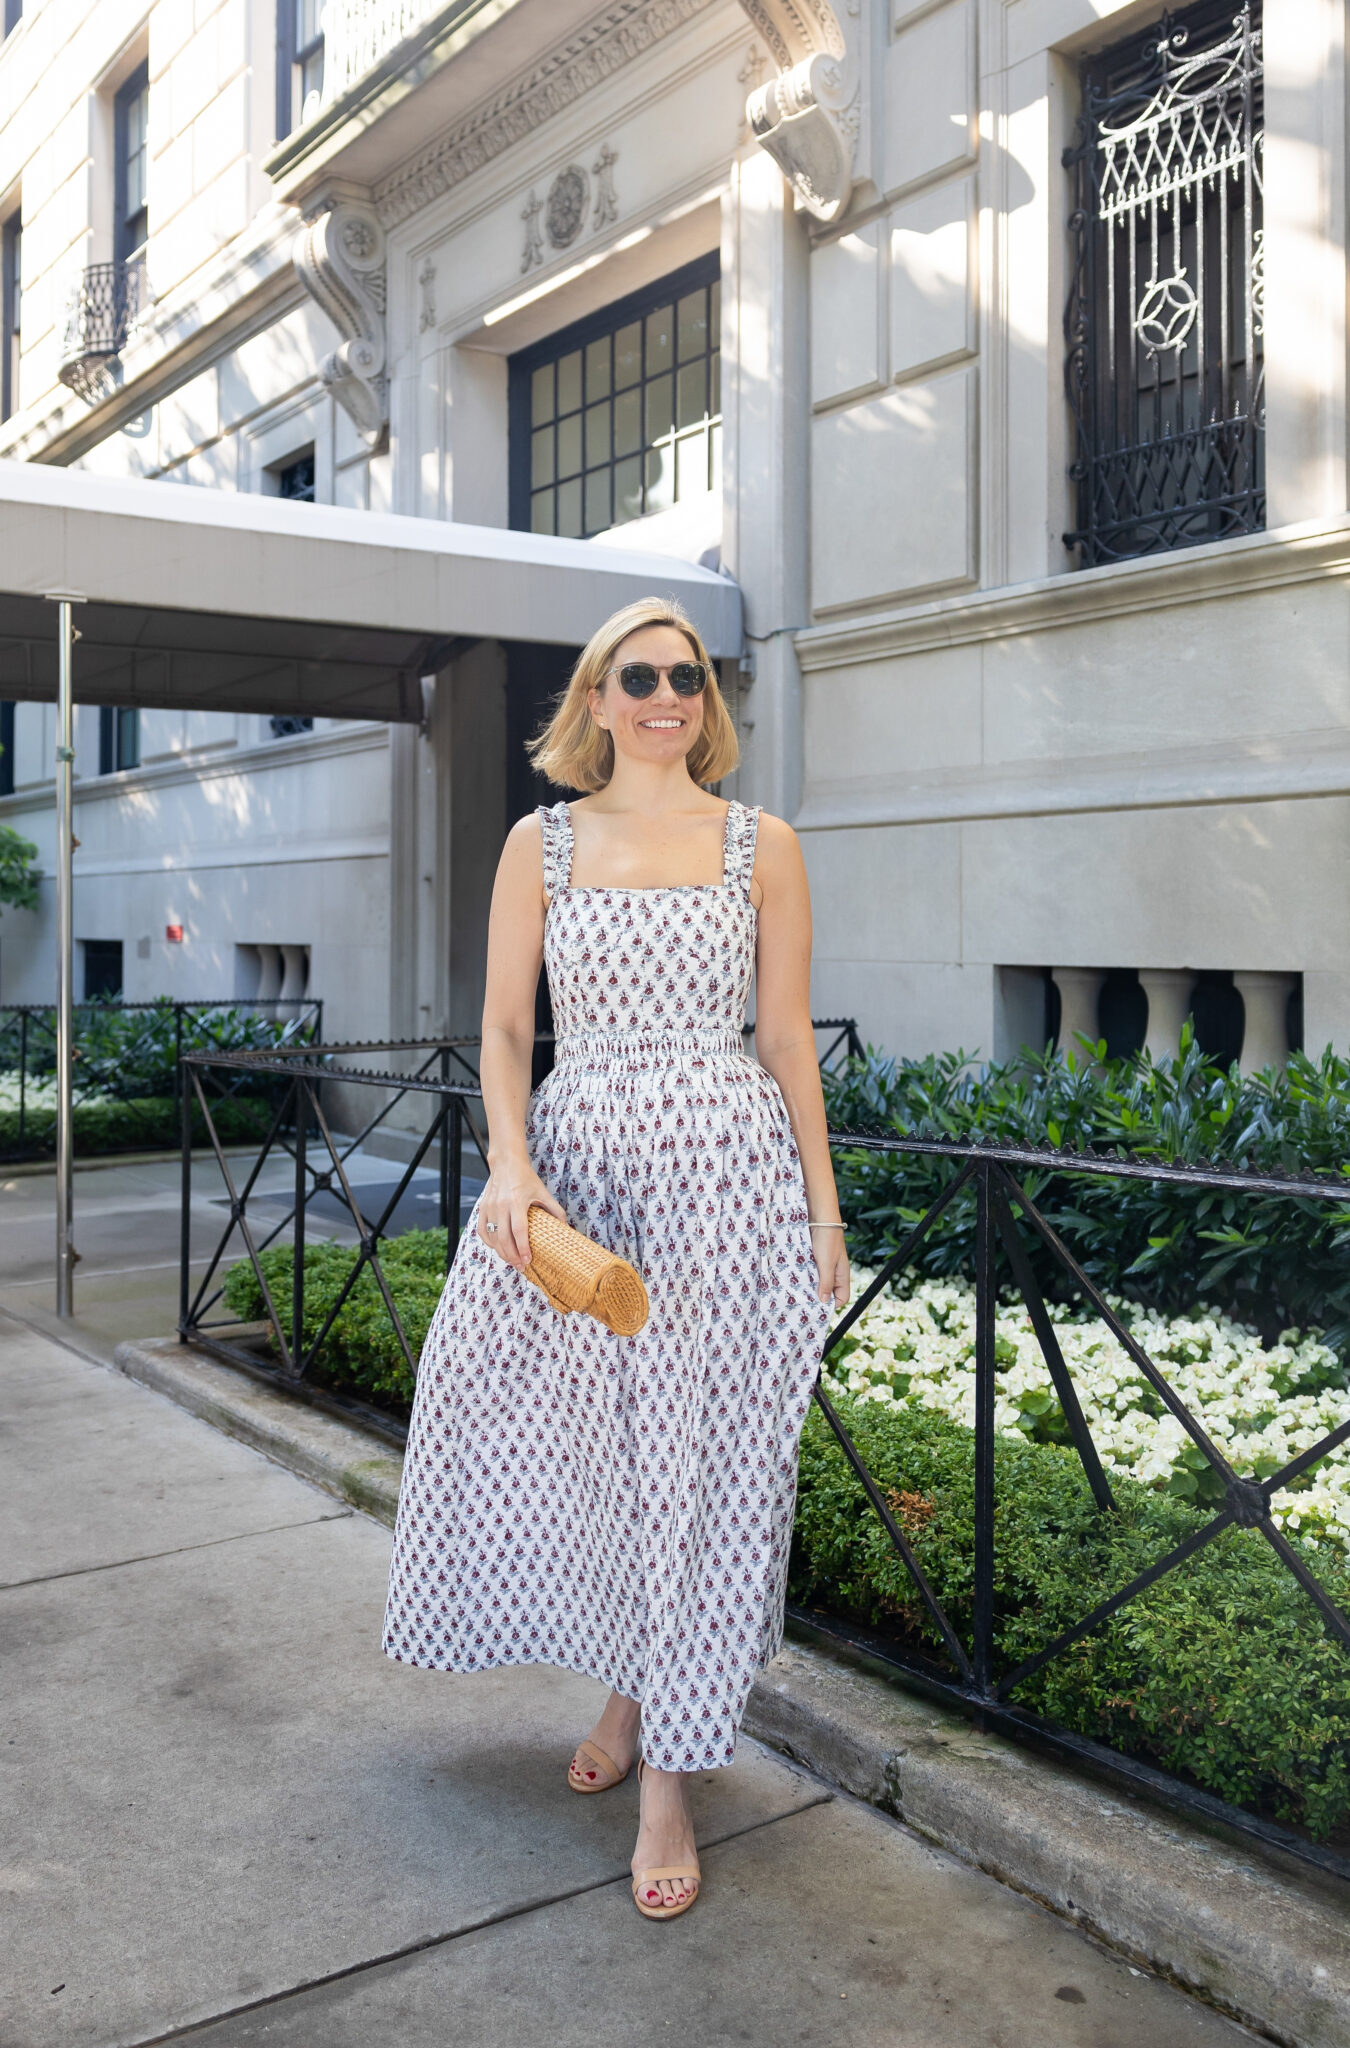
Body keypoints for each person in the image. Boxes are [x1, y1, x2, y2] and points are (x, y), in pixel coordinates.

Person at [383, 596, 849, 1922]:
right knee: (576, 1449)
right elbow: (505, 1029)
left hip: (727, 1184)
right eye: (637, 675)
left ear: (708, 700)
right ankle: (629, 1689)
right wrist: (512, 1171)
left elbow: (785, 1037)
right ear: (595, 697)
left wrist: (821, 1206)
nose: (663, 695)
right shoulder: (543, 844)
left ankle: (668, 1780)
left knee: (705, 1471)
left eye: (685, 677)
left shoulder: (765, 844)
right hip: (583, 1174)